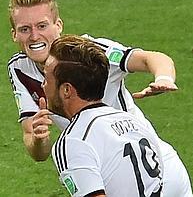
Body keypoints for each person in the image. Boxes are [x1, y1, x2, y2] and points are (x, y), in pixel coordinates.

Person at [7, 0, 193, 196]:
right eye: (25, 29)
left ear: (58, 25)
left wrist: (164, 78)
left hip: (153, 167)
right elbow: (34, 144)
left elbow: (150, 58)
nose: (34, 36)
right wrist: (40, 140)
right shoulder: (19, 69)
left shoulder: (90, 53)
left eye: (42, 25)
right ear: (14, 34)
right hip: (112, 169)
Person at [44, 35, 164, 197]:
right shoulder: (136, 123)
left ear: (67, 90)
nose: (43, 85)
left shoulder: (74, 140)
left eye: (47, 79)